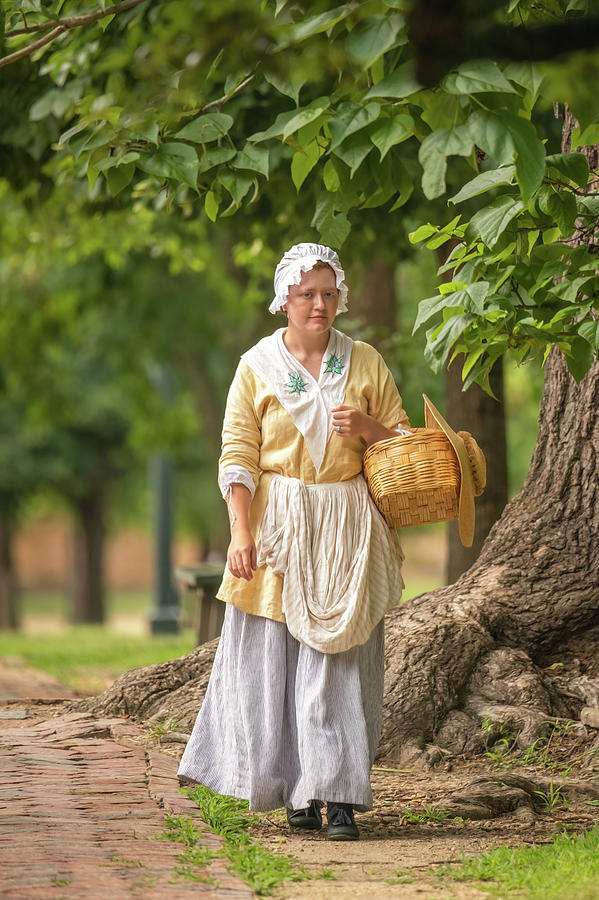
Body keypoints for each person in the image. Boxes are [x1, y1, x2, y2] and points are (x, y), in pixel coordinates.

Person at [178, 242, 411, 841]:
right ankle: (294, 790)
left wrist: (370, 429)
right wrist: (240, 531)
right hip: (278, 519)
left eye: (329, 294)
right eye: (307, 293)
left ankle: (335, 795)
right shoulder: (255, 366)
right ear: (285, 299)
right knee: (276, 657)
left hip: (343, 519)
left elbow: (405, 444)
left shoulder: (365, 363)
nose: (320, 304)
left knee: (335, 658)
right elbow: (238, 453)